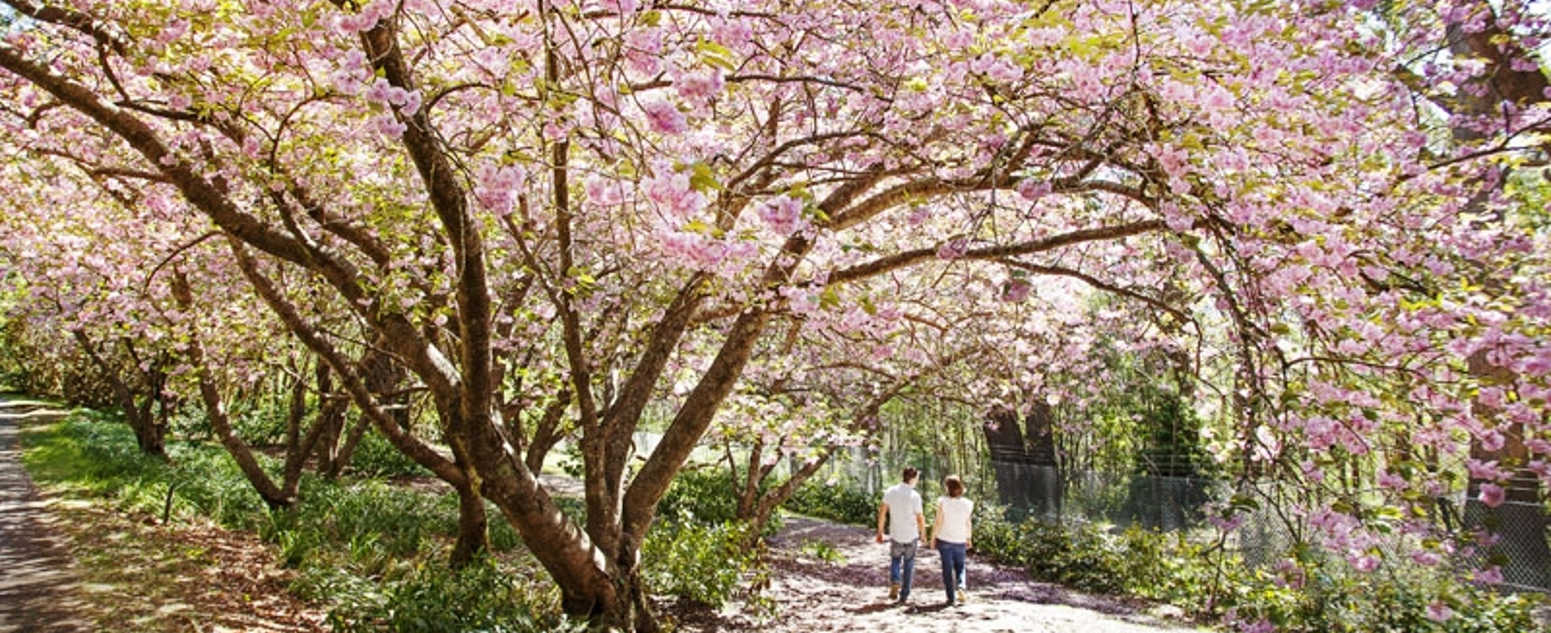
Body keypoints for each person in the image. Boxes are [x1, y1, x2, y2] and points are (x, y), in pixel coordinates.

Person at [875, 466, 925, 604]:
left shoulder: (891, 491)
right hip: (911, 534)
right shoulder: (915, 496)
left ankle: (895, 581)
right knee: (909, 564)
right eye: (917, 478)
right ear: (913, 478)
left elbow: (882, 512)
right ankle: (904, 595)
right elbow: (920, 517)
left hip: (896, 533)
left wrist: (880, 531)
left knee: (895, 560)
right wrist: (923, 533)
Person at [930, 474, 973, 606]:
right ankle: (961, 587)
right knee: (960, 566)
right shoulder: (968, 504)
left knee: (947, 568)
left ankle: (950, 597)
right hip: (960, 539)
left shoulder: (942, 502)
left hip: (945, 539)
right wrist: (969, 537)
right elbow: (968, 523)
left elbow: (938, 522)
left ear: (947, 488)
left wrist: (933, 538)